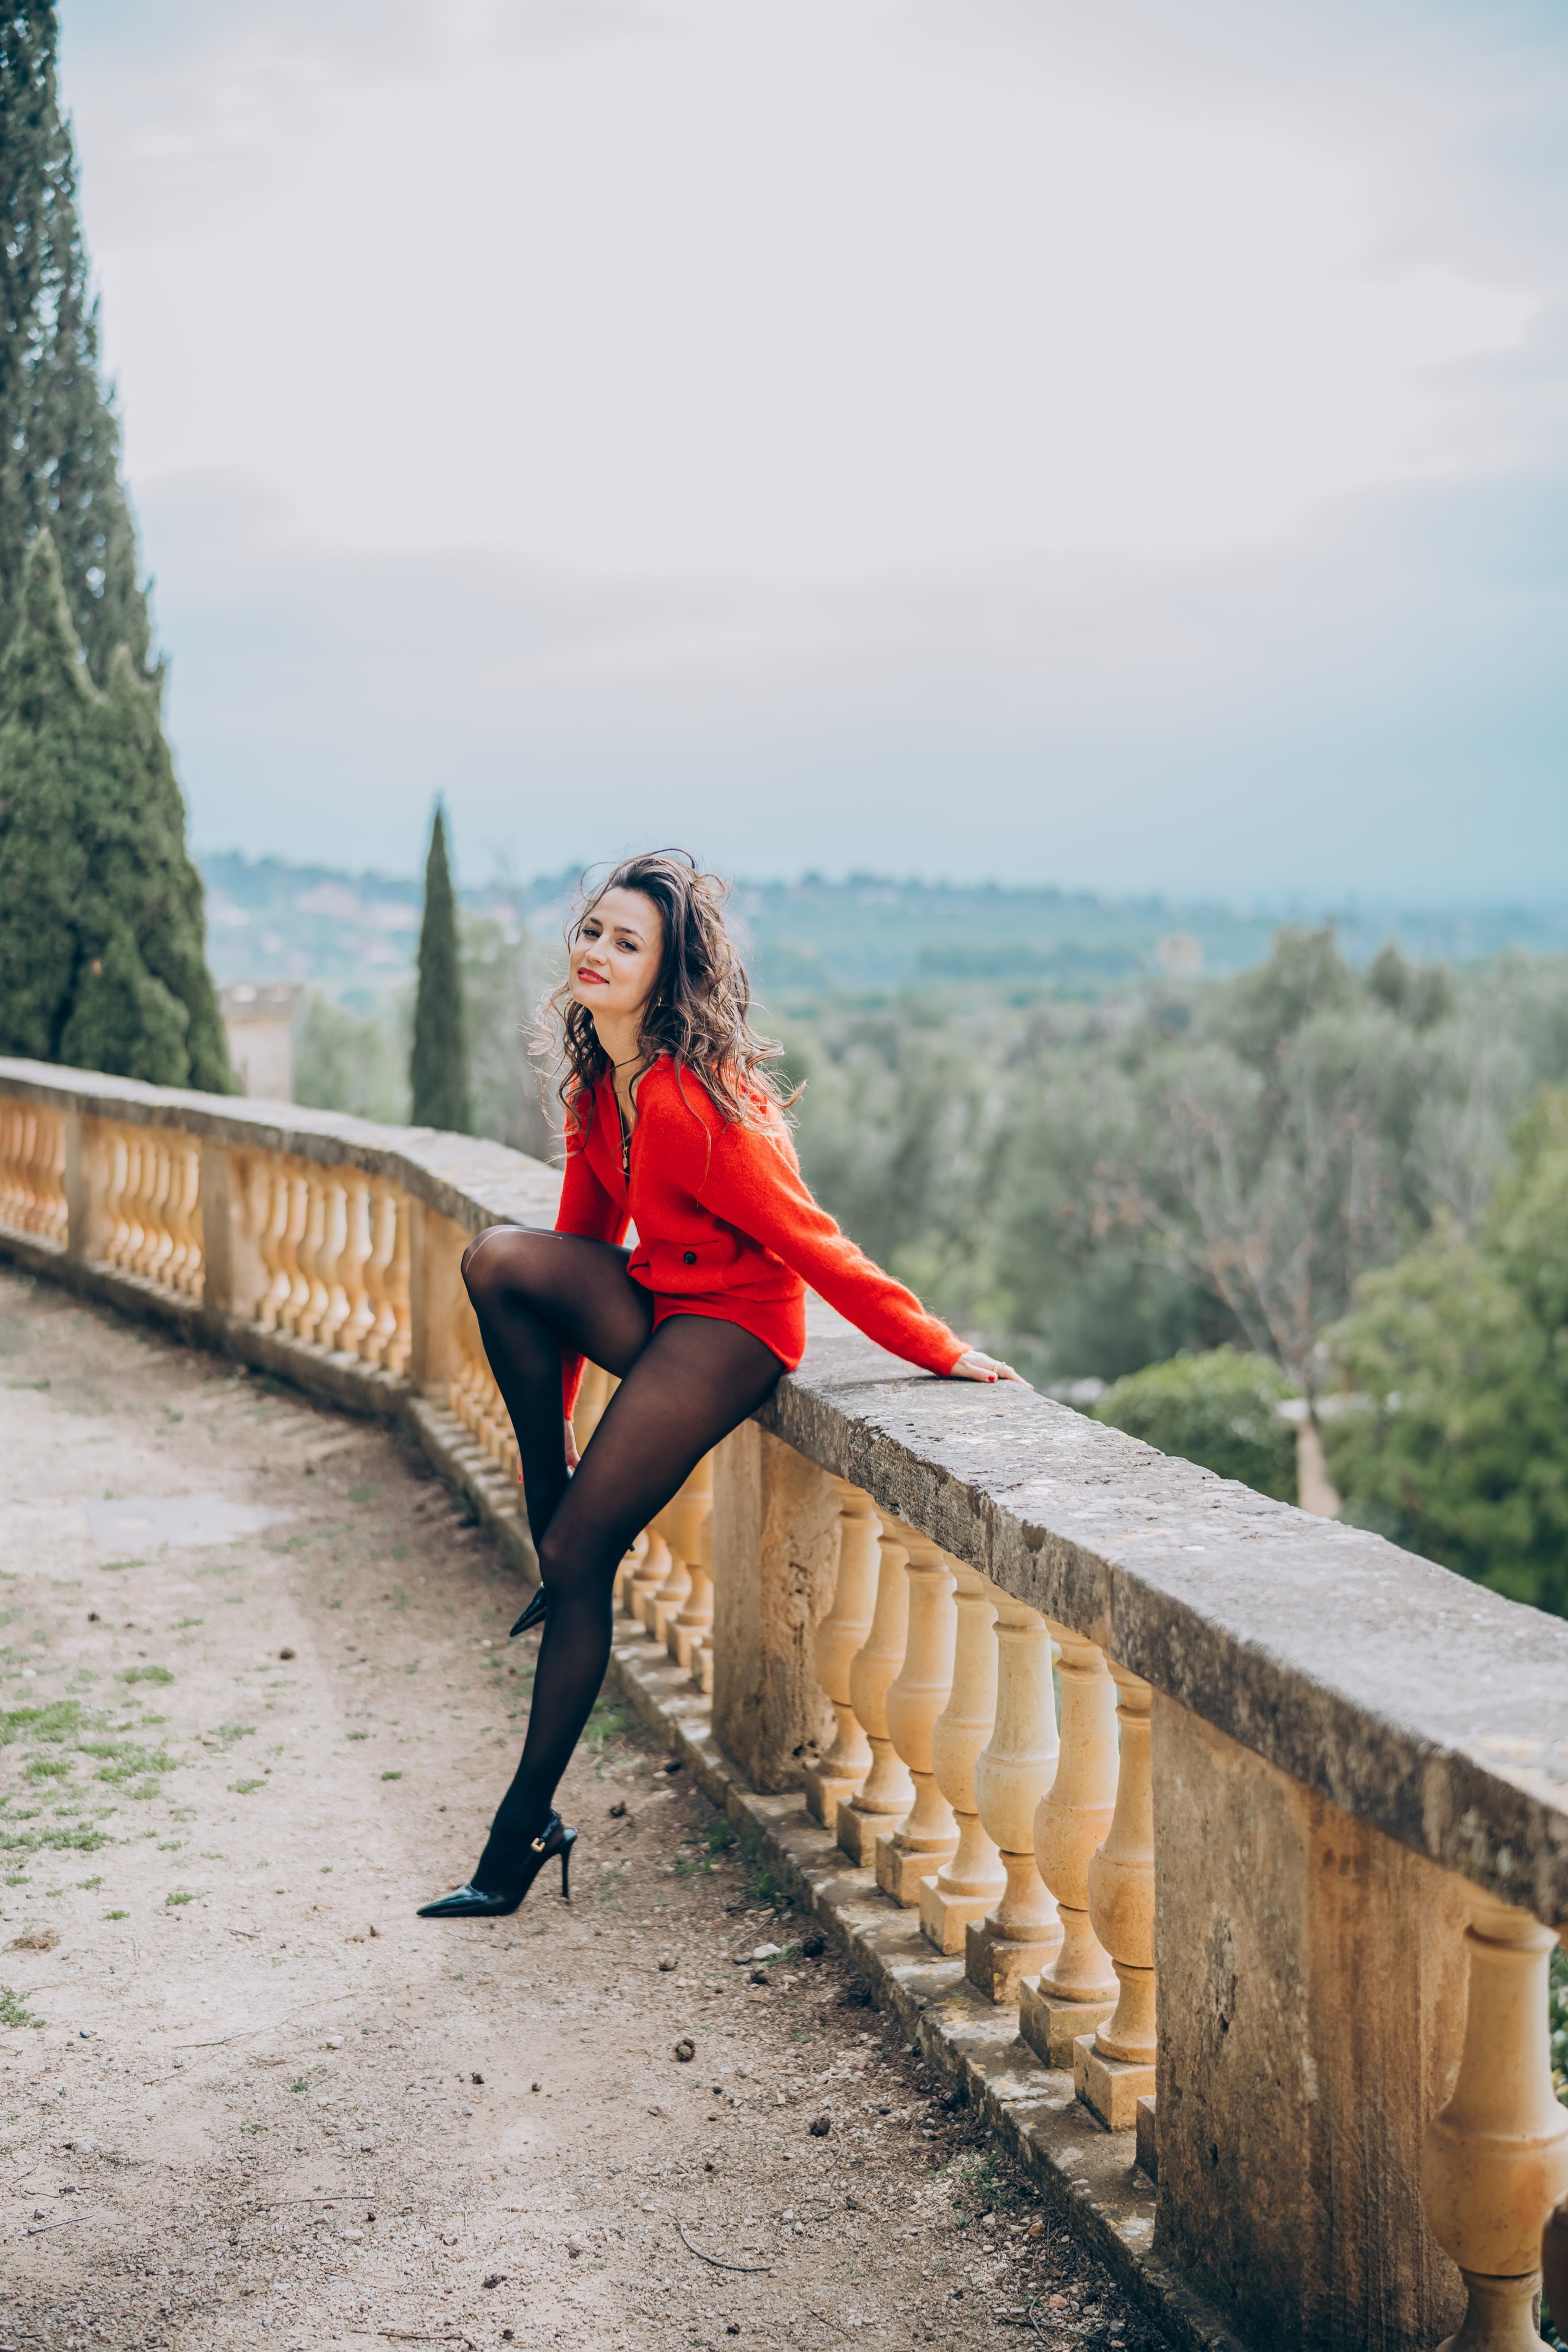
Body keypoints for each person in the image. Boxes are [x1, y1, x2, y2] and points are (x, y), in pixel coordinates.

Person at [418, 851, 1023, 1921]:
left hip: (735, 1324)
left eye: (628, 943)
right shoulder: (599, 1083)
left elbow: (814, 1241)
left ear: (667, 974)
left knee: (578, 1557)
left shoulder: (695, 1103)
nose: (599, 954)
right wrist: (554, 1432)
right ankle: (552, 1495)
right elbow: (576, 1250)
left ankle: (520, 1834)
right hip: (662, 1295)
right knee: (499, 1262)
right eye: (593, 932)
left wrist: (936, 1348)